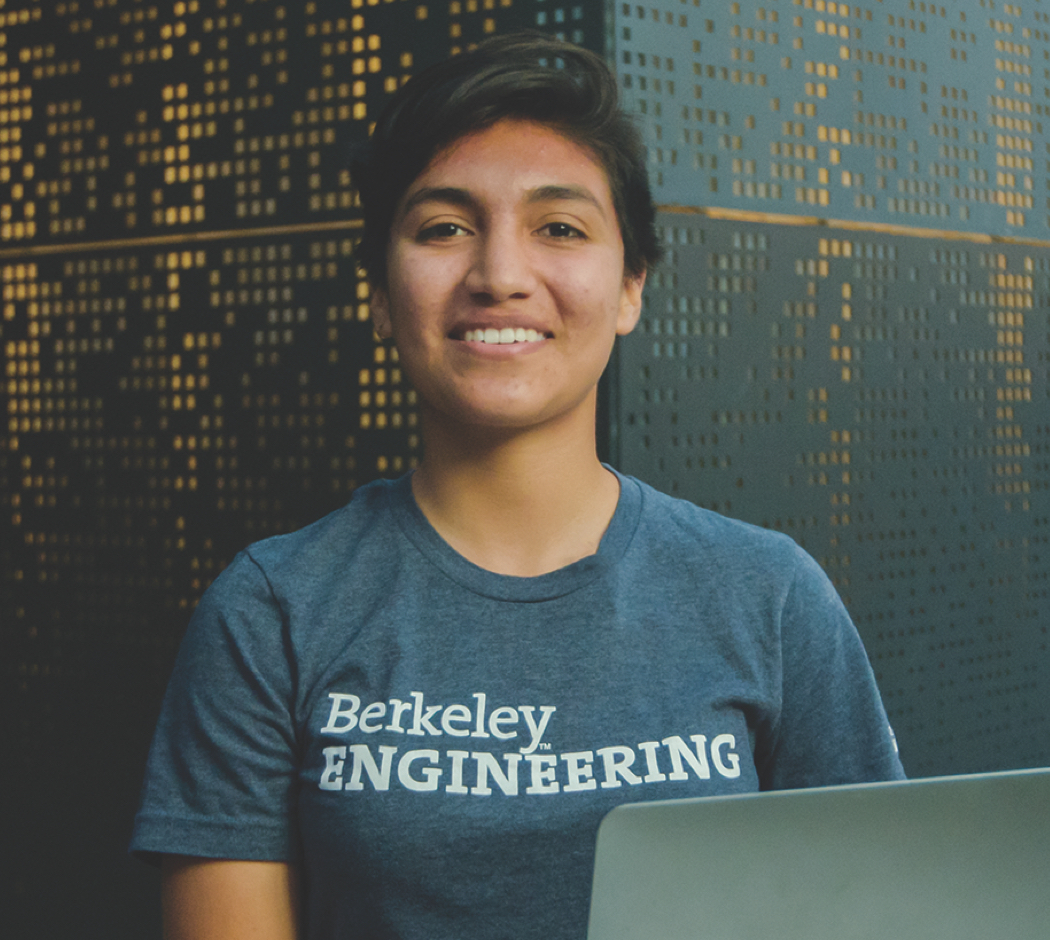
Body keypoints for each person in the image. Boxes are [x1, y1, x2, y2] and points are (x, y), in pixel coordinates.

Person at [131, 32, 905, 940]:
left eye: (561, 228)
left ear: (630, 287)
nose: (499, 275)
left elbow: (873, 910)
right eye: (444, 228)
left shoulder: (769, 596)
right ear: (381, 294)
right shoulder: (271, 613)